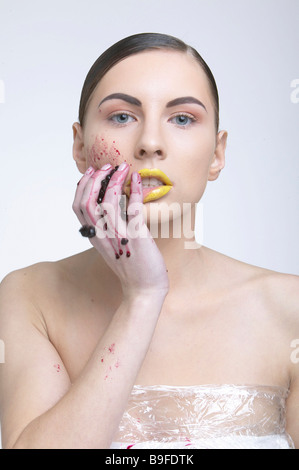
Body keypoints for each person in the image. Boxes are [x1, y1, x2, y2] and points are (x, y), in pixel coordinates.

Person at [0, 33, 298, 449]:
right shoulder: (30, 297)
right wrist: (142, 296)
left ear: (217, 153)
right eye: (122, 117)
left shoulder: (290, 309)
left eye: (182, 119)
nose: (150, 144)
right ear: (81, 147)